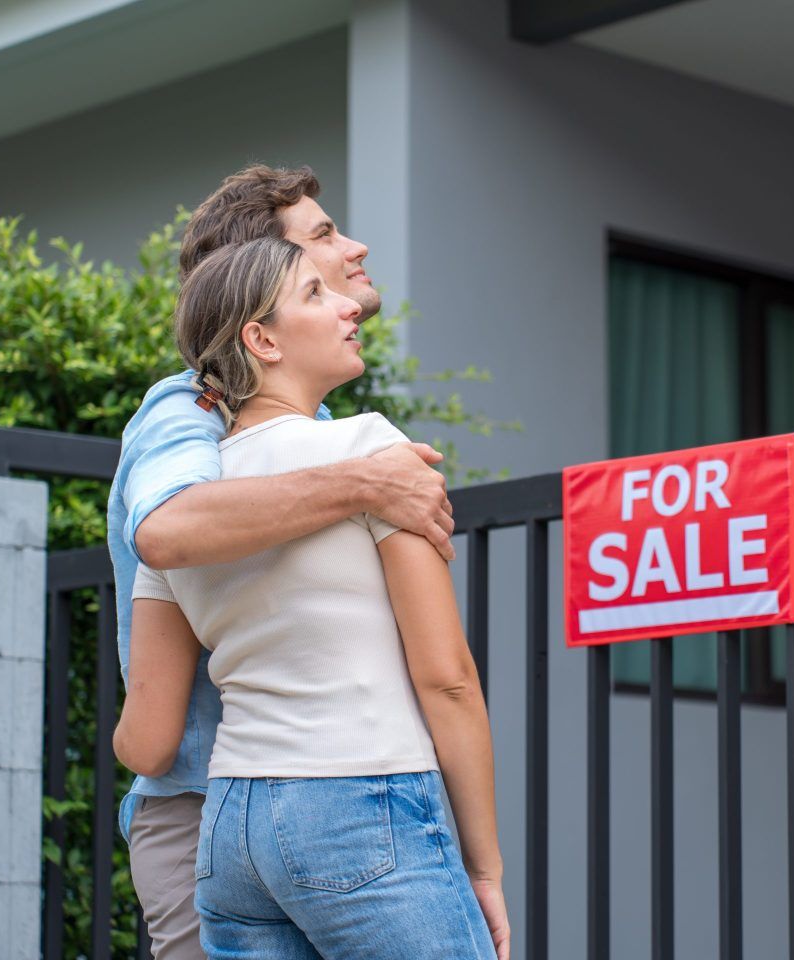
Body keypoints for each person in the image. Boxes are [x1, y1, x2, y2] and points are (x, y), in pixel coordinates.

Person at [113, 236, 508, 959]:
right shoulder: (370, 451)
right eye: (315, 294)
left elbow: (146, 739)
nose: (349, 305)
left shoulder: (187, 512)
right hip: (361, 798)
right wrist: (485, 868)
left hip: (233, 829)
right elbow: (446, 677)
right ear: (260, 339)